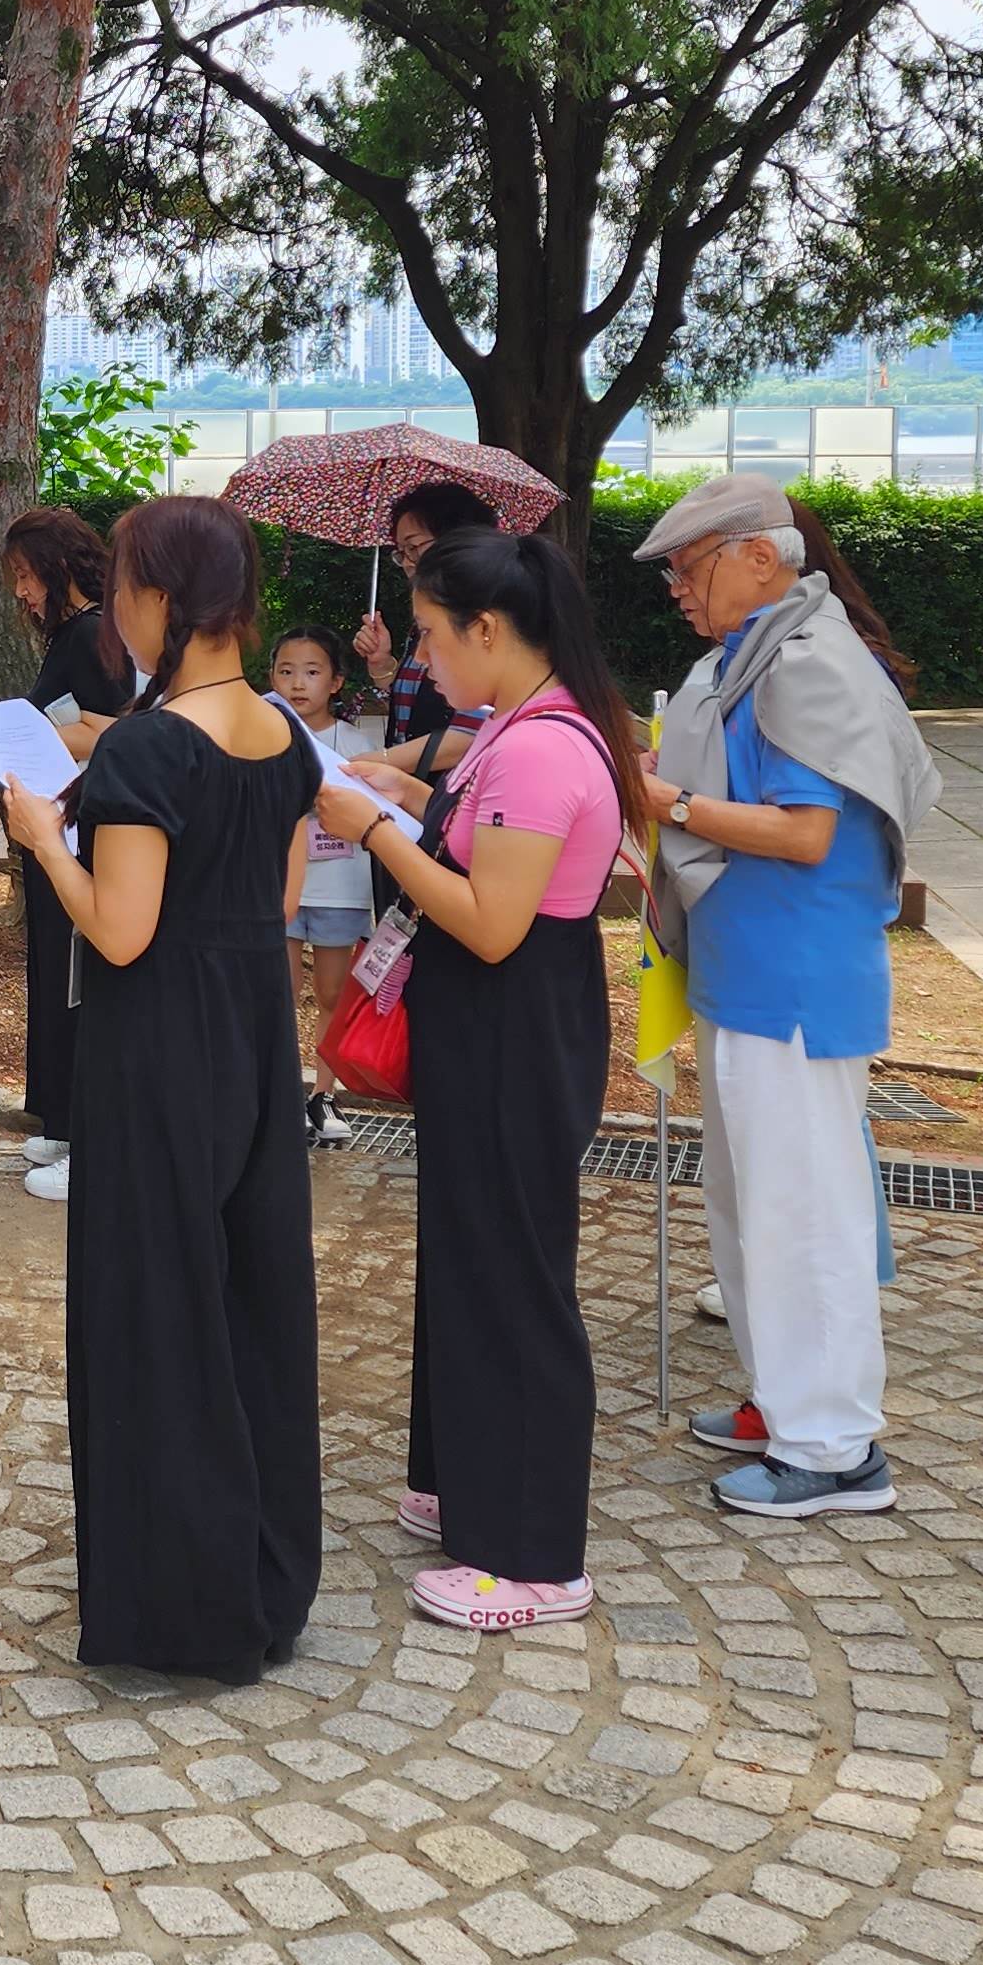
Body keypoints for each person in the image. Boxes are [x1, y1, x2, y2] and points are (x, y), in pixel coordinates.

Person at [0, 494, 321, 1681]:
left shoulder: (146, 749)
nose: (116, 612)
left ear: (163, 599)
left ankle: (181, 1599)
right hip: (253, 1038)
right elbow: (281, 901)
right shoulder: (283, 733)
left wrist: (44, 838)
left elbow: (121, 931)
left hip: (157, 1052)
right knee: (248, 1301)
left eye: (128, 585)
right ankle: (263, 1570)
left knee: (157, 1307)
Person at [319, 529, 642, 1632]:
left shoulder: (541, 747)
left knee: (512, 1277)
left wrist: (374, 827)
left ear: (488, 630)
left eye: (429, 634)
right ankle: (465, 1479)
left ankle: (533, 1556)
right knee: (469, 1256)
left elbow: (492, 921)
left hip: (516, 1027)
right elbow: (472, 848)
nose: (422, 656)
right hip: (489, 1029)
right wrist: (404, 798)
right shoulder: (518, 721)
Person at [636, 473, 937, 1519]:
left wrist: (668, 801)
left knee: (803, 1215)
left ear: (760, 558)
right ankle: (782, 1399)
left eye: (688, 568)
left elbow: (806, 834)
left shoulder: (806, 659)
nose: (678, 589)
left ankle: (833, 1446)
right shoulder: (760, 652)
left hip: (796, 979)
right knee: (751, 1204)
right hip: (752, 974)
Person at [0, 505, 132, 1200]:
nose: (22, 592)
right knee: (55, 971)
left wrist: (38, 736)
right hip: (57, 825)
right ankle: (60, 1117)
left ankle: (88, 1135)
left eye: (27, 576)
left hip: (81, 832)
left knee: (77, 978)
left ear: (57, 567)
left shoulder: (91, 634)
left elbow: (115, 730)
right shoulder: (73, 633)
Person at [266, 623, 373, 1154]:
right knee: (277, 992)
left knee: (332, 993)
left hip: (341, 889)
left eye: (311, 672)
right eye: (286, 671)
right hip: (282, 885)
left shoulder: (357, 744)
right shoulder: (262, 736)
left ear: (336, 681)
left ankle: (323, 1094)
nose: (297, 683)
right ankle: (281, 1092)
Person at [355, 480, 501, 778]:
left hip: (461, 788)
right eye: (401, 552)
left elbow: (472, 732)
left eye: (414, 547)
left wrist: (375, 761)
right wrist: (382, 664)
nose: (407, 563)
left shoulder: (484, 616)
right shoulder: (430, 617)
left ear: (456, 538)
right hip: (420, 788)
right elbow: (420, 701)